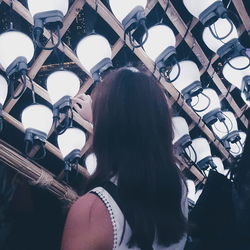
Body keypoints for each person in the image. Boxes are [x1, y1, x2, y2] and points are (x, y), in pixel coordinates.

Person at [61, 67, 188, 250]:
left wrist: (100, 118)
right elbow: (136, 137)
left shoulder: (91, 211)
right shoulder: (177, 185)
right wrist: (100, 118)